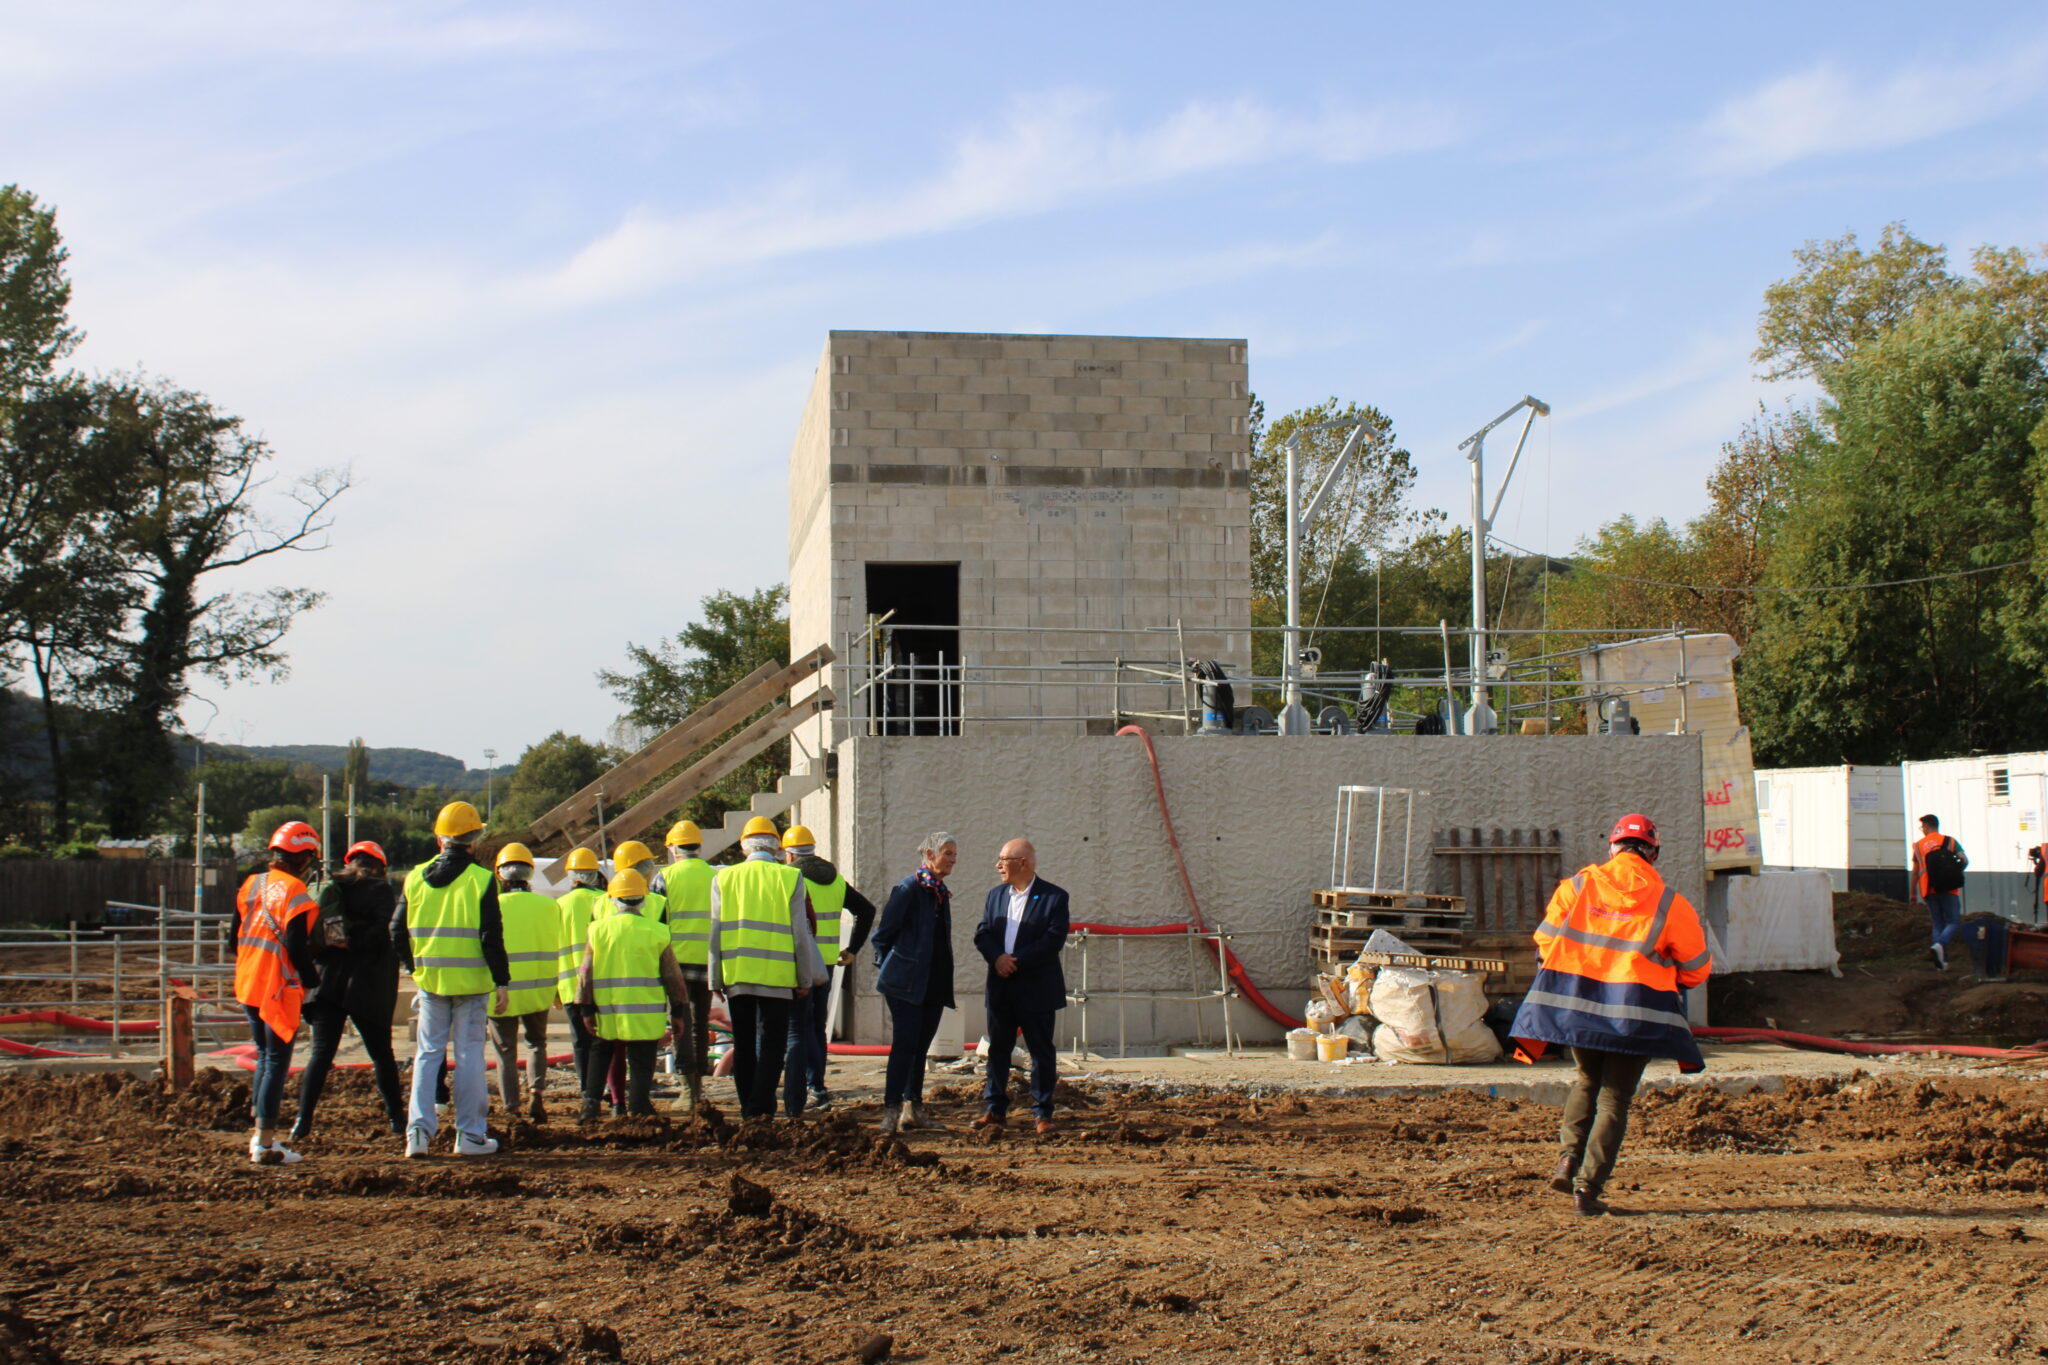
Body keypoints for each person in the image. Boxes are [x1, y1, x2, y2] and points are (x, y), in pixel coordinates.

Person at [1510, 813, 1713, 1216]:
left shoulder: (1578, 886)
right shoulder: (1671, 902)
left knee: (1587, 1079)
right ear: (1653, 853)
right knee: (1616, 1099)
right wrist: (1670, 977)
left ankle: (1567, 1159)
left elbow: (1545, 943)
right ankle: (1587, 1189)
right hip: (1636, 1014)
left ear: (1613, 847)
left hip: (1578, 1007)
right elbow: (1697, 967)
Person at [393, 800, 510, 1159]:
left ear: (440, 839)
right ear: (474, 839)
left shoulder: (414, 878)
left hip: (431, 982)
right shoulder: (481, 879)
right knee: (470, 1056)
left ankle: (417, 1134)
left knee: (428, 1055)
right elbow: (491, 934)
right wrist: (501, 980)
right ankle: (471, 1135)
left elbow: (396, 929)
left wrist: (415, 968)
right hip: (472, 984)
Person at [709, 815, 828, 1120]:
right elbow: (801, 935)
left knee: (745, 1043)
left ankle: (750, 1108)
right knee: (774, 1045)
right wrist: (804, 979)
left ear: (744, 847)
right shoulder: (789, 877)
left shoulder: (723, 878)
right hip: (779, 976)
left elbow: (716, 931)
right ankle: (761, 1107)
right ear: (777, 846)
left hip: (738, 975)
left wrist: (715, 978)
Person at [292, 840, 405, 1140]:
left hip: (328, 983)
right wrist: (357, 941)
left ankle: (302, 1122)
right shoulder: (380, 890)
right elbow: (384, 932)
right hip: (364, 984)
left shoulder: (332, 886)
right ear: (380, 866)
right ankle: (397, 1119)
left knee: (320, 1054)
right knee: (381, 1055)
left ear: (350, 861)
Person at [233, 821, 324, 1165]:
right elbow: (297, 947)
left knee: (262, 1056)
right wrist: (313, 983)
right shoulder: (295, 890)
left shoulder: (251, 885)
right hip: (276, 988)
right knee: (275, 1062)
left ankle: (258, 1137)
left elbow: (233, 939)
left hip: (248, 983)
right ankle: (266, 1144)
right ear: (303, 857)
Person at [971, 839, 1069, 1135]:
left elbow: (1053, 940)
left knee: (1041, 1051)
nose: (998, 865)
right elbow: (983, 932)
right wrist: (997, 958)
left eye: (1003, 859)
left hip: (1036, 988)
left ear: (1022, 863)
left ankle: (1042, 1113)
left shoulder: (1054, 897)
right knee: (998, 1049)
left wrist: (1015, 961)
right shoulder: (996, 896)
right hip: (1001, 986)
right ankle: (996, 1108)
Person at [779, 822, 878, 1116]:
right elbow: (867, 910)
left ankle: (803, 1091)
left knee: (798, 1030)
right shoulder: (834, 880)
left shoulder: (790, 876)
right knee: (816, 1029)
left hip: (799, 964)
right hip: (826, 964)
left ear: (789, 854)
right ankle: (818, 1087)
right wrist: (852, 951)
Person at [575, 869, 691, 1120]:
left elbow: (585, 973)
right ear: (644, 900)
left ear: (613, 900)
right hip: (645, 1014)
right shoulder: (657, 932)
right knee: (641, 1060)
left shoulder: (598, 930)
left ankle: (590, 1105)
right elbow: (673, 978)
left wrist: (585, 1008)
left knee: (601, 1052)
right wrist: (679, 1011)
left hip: (609, 1012)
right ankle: (638, 1106)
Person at [871, 831, 958, 1135]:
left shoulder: (939, 893)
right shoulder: (908, 889)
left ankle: (913, 1108)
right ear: (930, 855)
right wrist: (894, 971)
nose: (953, 859)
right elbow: (882, 936)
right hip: (906, 984)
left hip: (932, 984)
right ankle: (891, 1110)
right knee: (905, 1046)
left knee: (921, 1048)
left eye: (954, 854)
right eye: (947, 853)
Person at [487, 842, 562, 1124]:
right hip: (539, 990)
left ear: (500, 875)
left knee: (505, 1050)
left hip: (502, 992)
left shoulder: (492, 907)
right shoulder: (549, 906)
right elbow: (557, 945)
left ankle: (511, 1107)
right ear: (530, 873)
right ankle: (536, 1095)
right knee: (536, 1043)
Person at [655, 819, 715, 1113]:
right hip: (708, 961)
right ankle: (699, 1088)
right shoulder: (715, 876)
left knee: (680, 1024)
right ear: (698, 846)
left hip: (675, 963)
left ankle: (688, 1089)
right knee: (700, 1024)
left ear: (673, 848)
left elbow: (656, 922)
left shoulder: (665, 877)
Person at [554, 846, 609, 1099]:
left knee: (579, 1041)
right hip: (601, 984)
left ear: (572, 876)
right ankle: (603, 1088)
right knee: (602, 1040)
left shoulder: (559, 905)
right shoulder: (605, 901)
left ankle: (587, 1089)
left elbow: (552, 947)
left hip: (568, 985)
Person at [1911, 814, 1968, 971]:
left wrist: (1912, 893)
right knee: (1953, 921)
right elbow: (1964, 860)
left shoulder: (1917, 846)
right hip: (1949, 888)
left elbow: (1915, 872)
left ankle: (1942, 963)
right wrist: (1955, 872)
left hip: (1928, 889)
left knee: (1937, 923)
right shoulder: (1950, 841)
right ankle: (1939, 944)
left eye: (1922, 827)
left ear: (1927, 826)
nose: (1922, 830)